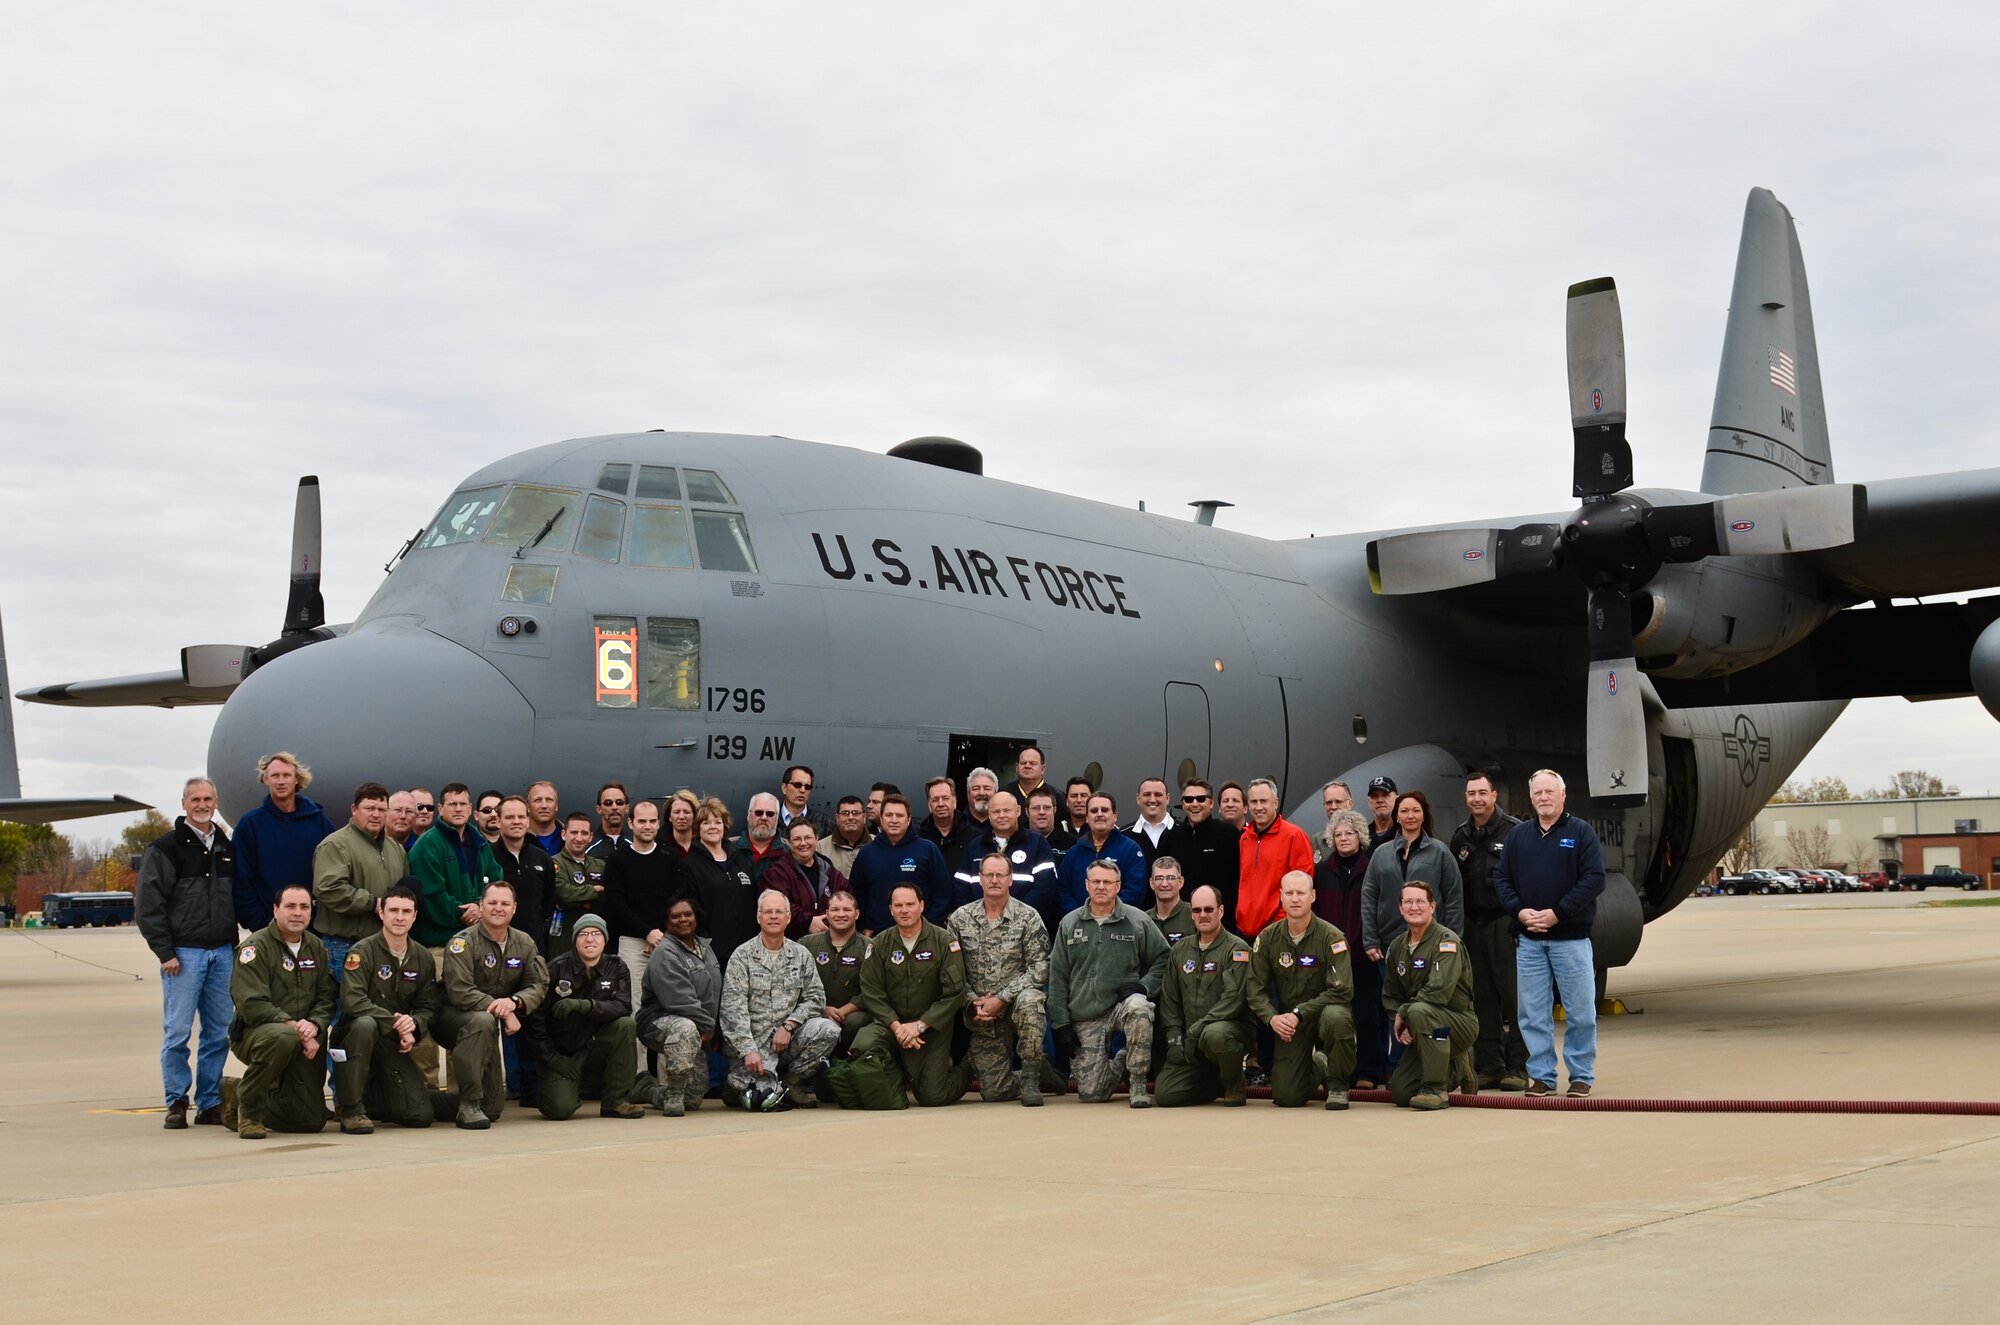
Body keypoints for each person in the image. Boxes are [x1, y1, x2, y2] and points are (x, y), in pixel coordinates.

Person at [1492, 769, 1606, 1098]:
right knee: (1531, 1013)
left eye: (1549, 792)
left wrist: (1559, 913)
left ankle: (1581, 1075)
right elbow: (1502, 879)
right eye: (1538, 793)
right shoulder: (1519, 836)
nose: (1544, 797)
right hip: (1529, 940)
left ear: (1563, 795)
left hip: (1570, 938)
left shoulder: (1581, 833)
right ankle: (1542, 1076)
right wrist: (1519, 911)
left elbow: (1594, 879)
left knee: (1581, 1011)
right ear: (1531, 798)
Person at [137, 776, 236, 1129]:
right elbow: (148, 906)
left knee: (218, 1032)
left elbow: (236, 899)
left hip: (222, 953)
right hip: (183, 954)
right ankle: (177, 1100)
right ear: (184, 804)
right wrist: (165, 952)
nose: (202, 804)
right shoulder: (166, 849)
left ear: (216, 802)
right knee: (177, 1031)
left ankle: (209, 1102)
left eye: (208, 798)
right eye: (195, 799)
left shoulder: (226, 846)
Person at [1049, 859, 1169, 1107]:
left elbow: (1164, 958)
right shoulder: (1069, 924)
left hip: (1122, 1004)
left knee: (1140, 1007)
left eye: (1107, 882)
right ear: (1086, 885)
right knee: (1092, 1094)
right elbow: (1058, 976)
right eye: (1096, 881)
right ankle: (1123, 1062)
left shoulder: (1138, 921)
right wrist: (1061, 1023)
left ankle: (1137, 1082)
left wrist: (1144, 987)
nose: (1101, 886)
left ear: (1118, 886)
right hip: (1086, 1013)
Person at [330, 882, 446, 1131]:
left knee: (420, 1115)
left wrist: (414, 1024)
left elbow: (428, 1007)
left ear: (415, 916)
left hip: (392, 1042)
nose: (399, 917)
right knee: (365, 1023)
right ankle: (351, 1110)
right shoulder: (362, 952)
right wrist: (395, 1023)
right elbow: (353, 1001)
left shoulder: (422, 958)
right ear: (381, 913)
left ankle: (376, 1101)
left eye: (406, 912)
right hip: (354, 1037)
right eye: (393, 910)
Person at [222, 884, 335, 1139]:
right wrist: (293, 1026)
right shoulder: (255, 948)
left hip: (305, 1036)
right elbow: (252, 1004)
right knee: (283, 1037)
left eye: (304, 907)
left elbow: (326, 995)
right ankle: (249, 1112)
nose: (297, 913)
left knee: (311, 1121)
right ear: (276, 910)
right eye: (290, 906)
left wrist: (315, 1025)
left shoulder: (316, 947)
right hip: (258, 1034)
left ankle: (239, 1091)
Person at [434, 880, 550, 1129]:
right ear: (481, 906)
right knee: (483, 1020)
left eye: (505, 903)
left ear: (514, 908)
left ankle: (432, 1103)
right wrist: (502, 1011)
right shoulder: (462, 942)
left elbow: (539, 984)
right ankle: (468, 1104)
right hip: (450, 1018)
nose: (499, 908)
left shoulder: (524, 942)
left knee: (493, 1109)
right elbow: (460, 991)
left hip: (487, 1020)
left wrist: (514, 1002)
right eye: (492, 903)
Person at [719, 891, 841, 1109]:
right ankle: (738, 1082)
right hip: (751, 1044)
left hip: (785, 1040)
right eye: (768, 912)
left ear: (788, 917)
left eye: (779, 912)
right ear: (758, 917)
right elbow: (732, 1011)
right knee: (760, 1099)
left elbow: (815, 998)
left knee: (828, 1029)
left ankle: (791, 1083)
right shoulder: (742, 956)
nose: (773, 916)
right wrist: (748, 1050)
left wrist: (790, 1025)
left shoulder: (801, 954)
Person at [1247, 871, 1357, 1109]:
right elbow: (1255, 989)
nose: (1295, 899)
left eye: (1301, 893)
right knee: (1286, 1097)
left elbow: (1342, 991)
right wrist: (1272, 1018)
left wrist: (1299, 1013)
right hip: (1290, 1022)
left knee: (1337, 1016)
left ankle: (1338, 1085)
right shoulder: (1267, 938)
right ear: (1281, 897)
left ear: (1313, 896)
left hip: (1323, 1014)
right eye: (1289, 893)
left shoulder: (1332, 937)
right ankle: (1319, 1065)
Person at [947, 854, 1052, 1106]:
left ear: (1010, 879)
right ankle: (1040, 1072)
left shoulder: (1028, 916)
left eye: (1000, 875)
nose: (994, 880)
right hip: (980, 1013)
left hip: (1016, 1004)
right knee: (993, 1092)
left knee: (1030, 1001)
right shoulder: (960, 919)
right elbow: (951, 971)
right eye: (989, 875)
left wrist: (1003, 998)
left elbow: (1041, 966)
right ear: (980, 879)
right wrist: (973, 1001)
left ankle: (1030, 1079)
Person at [854, 883, 969, 1106]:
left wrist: (920, 1025)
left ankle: (969, 1067)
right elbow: (872, 992)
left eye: (910, 904)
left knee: (932, 1097)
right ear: (890, 910)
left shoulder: (944, 942)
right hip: (891, 1025)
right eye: (898, 905)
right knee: (863, 1043)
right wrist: (897, 1027)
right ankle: (894, 1078)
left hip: (931, 1029)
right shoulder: (880, 944)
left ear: (921, 906)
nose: (904, 910)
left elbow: (954, 993)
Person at [527, 914, 646, 1119]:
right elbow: (534, 1020)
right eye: (583, 934)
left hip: (596, 1048)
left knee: (626, 1025)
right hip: (563, 1054)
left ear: (605, 939)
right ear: (575, 940)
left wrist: (585, 1006)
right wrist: (553, 1059)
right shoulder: (556, 968)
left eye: (596, 933)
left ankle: (616, 1101)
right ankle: (562, 1086)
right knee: (559, 1109)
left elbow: (622, 1007)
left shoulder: (617, 967)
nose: (589, 939)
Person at [1451, 772, 1527, 1089]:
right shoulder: (1460, 837)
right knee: (1481, 998)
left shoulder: (1515, 832)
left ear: (1494, 795)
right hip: (1474, 925)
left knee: (1513, 997)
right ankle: (1491, 1064)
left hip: (1503, 923)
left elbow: (1526, 879)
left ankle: (1519, 1068)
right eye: (1472, 794)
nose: (1477, 799)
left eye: (1483, 792)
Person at [1155, 885, 1256, 1108]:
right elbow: (1170, 999)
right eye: (1197, 910)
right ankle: (1214, 1081)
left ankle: (1232, 1080)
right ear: (1191, 914)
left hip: (1227, 1033)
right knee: (1165, 1095)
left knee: (1215, 1034)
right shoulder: (1180, 950)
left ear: (1221, 911)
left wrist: (1195, 1031)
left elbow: (1234, 1000)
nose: (1203, 915)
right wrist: (1174, 1038)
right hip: (1192, 1042)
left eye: (1209, 909)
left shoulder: (1237, 950)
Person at [1381, 880, 1478, 1110]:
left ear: (1432, 906)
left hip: (1457, 1023)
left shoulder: (1447, 942)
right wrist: (1399, 1016)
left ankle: (1436, 1090)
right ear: (1400, 908)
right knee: (1401, 1093)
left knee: (1420, 1010)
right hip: (1421, 1024)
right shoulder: (1397, 946)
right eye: (1408, 902)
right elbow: (1391, 994)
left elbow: (1438, 991)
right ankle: (1456, 1067)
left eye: (1420, 901)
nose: (1414, 907)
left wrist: (1405, 1014)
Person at [1315, 809, 1386, 1089]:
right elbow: (1317, 913)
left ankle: (1370, 1070)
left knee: (1367, 1015)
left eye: (1350, 833)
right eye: (1338, 834)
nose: (1344, 838)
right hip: (1330, 958)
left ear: (1361, 836)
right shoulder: (1321, 872)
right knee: (1331, 1016)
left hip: (1362, 954)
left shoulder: (1372, 868)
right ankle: (1335, 1069)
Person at [311, 782, 408, 980]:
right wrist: (373, 903)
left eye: (382, 809)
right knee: (341, 1007)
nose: (376, 814)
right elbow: (328, 888)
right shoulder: (335, 845)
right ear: (354, 809)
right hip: (343, 946)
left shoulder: (395, 849)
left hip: (383, 945)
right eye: (369, 808)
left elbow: (404, 889)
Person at [1361, 791, 1466, 973]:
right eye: (1404, 811)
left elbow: (1454, 897)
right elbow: (1369, 897)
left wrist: (1451, 939)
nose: (1410, 816)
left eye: (1416, 810)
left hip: (1431, 942)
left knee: (1428, 998)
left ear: (1423, 815)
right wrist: (1370, 939)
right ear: (1397, 816)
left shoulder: (1439, 851)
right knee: (1393, 998)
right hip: (1389, 943)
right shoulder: (1381, 853)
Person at [231, 751, 335, 934]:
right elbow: (240, 881)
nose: (281, 781)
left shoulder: (319, 822)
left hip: (313, 932)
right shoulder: (250, 825)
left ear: (297, 779)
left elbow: (332, 873)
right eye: (275, 776)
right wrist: (259, 924)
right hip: (268, 930)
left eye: (286, 775)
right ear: (266, 780)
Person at [637, 896, 722, 1116]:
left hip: (698, 1026)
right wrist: (708, 1028)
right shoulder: (665, 952)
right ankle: (673, 1094)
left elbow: (714, 992)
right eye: (675, 916)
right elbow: (679, 1001)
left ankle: (647, 1090)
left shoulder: (705, 947)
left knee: (693, 1098)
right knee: (684, 1027)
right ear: (666, 922)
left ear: (696, 917)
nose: (682, 919)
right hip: (658, 1022)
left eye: (687, 914)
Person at [601, 799, 678, 1004]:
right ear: (631, 823)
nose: (647, 826)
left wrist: (659, 934)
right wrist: (647, 932)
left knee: (668, 1003)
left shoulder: (670, 856)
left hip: (665, 938)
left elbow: (676, 898)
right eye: (642, 821)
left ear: (659, 824)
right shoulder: (617, 860)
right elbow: (616, 904)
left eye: (652, 821)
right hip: (631, 942)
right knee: (635, 1004)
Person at [409, 783, 497, 952]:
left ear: (470, 809)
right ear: (441, 809)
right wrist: (462, 913)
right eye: (452, 804)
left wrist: (480, 907)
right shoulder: (427, 846)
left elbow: (496, 880)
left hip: (476, 942)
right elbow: (431, 898)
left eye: (463, 804)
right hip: (439, 945)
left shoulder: (481, 843)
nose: (458, 809)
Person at [847, 793, 951, 933]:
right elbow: (856, 895)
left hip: (921, 936)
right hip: (877, 937)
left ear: (908, 820)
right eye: (889, 815)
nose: (894, 820)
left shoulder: (928, 850)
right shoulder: (867, 853)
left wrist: (928, 927)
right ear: (881, 819)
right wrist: (863, 926)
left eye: (900, 816)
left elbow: (943, 895)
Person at [955, 790, 1059, 925]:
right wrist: (979, 919)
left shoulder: (1037, 843)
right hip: (980, 928)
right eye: (996, 812)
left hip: (1025, 928)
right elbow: (961, 889)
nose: (1001, 816)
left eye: (1007, 810)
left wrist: (1015, 918)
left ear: (1018, 811)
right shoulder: (975, 846)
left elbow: (1045, 889)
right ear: (989, 815)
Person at [1235, 777, 1314, 938]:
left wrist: (1281, 921)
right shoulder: (1245, 838)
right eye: (1253, 802)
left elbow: (1303, 884)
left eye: (1264, 801)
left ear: (1275, 803)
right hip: (1244, 930)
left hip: (1278, 930)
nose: (1258, 807)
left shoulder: (1294, 836)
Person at [686, 797, 761, 966]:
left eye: (717, 822)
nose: (713, 827)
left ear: (724, 825)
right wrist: (706, 947)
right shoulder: (690, 865)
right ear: (698, 828)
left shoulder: (740, 860)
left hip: (747, 955)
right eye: (706, 823)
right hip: (713, 957)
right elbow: (691, 912)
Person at [799, 889, 871, 1055]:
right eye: (835, 909)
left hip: (851, 1015)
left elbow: (872, 989)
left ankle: (844, 1062)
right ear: (826, 913)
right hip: (815, 1011)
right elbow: (798, 985)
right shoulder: (807, 944)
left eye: (847, 910)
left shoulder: (869, 947)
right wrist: (822, 1008)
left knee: (856, 1021)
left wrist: (843, 1011)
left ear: (857, 914)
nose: (841, 914)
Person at [1160, 779, 1240, 927]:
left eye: (1201, 799)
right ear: (1183, 804)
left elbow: (1238, 880)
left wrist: (1226, 914)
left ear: (1211, 803)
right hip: (1181, 923)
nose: (1194, 804)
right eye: (1189, 799)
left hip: (1220, 923)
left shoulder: (1228, 835)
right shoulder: (1171, 837)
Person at [1057, 792, 1148, 911]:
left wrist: (1106, 914)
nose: (1099, 814)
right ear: (1087, 818)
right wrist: (1081, 916)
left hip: (1119, 924)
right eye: (1094, 811)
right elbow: (1062, 890)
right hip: (1080, 924)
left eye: (1104, 810)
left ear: (1115, 816)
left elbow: (1135, 891)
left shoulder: (1130, 850)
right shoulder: (1074, 853)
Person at [761, 818, 845, 938]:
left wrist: (826, 921)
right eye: (797, 839)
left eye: (808, 838)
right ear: (789, 842)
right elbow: (777, 906)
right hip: (791, 944)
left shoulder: (829, 870)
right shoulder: (776, 873)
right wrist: (808, 922)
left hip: (828, 941)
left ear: (816, 839)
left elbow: (846, 897)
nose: (803, 843)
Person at [491, 794, 553, 948]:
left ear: (528, 821)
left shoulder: (543, 859)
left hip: (533, 945)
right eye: (510, 817)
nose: (516, 822)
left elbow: (548, 904)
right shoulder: (485, 856)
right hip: (493, 944)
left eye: (521, 816)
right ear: (498, 821)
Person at [548, 811, 608, 961]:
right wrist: (596, 890)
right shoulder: (554, 863)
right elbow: (563, 894)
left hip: (594, 939)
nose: (579, 838)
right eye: (573, 832)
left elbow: (609, 898)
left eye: (584, 833)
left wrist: (581, 899)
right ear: (563, 834)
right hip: (564, 937)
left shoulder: (600, 865)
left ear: (590, 837)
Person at [918, 776, 976, 863]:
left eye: (945, 798)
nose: (941, 804)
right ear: (929, 806)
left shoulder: (973, 837)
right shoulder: (919, 838)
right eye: (935, 800)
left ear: (954, 802)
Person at [1147, 856, 1195, 946]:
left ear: (1180, 882)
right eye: (1159, 878)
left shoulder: (1195, 915)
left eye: (1170, 878)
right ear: (1152, 883)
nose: (1164, 884)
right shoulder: (1143, 920)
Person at [1126, 777, 1175, 864]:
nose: (1152, 800)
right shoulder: (1124, 835)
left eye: (1158, 794)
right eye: (1147, 794)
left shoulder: (1183, 832)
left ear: (1167, 798)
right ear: (1138, 799)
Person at [820, 796, 870, 877]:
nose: (850, 817)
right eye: (845, 813)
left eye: (855, 813)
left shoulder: (878, 843)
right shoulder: (821, 848)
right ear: (837, 818)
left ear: (864, 817)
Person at [775, 764, 827, 835]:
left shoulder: (824, 824)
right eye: (797, 785)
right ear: (784, 788)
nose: (803, 790)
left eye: (807, 786)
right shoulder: (768, 818)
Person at [587, 783, 633, 860]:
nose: (614, 807)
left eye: (619, 802)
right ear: (599, 809)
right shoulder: (587, 847)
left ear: (627, 808)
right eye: (608, 803)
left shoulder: (635, 845)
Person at [1315, 780, 1354, 860]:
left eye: (1338, 801)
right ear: (1324, 806)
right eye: (1329, 802)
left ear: (1350, 804)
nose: (1333, 807)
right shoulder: (1315, 841)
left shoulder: (1363, 836)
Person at [1024, 787, 1068, 855]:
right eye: (1035, 808)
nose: (1041, 812)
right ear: (1027, 812)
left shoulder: (1071, 844)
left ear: (1054, 810)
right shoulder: (1016, 843)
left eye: (1047, 808)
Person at [1055, 776, 1094, 850]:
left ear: (1092, 800)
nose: (1079, 800)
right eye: (1074, 796)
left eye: (1083, 795)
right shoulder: (1056, 829)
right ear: (1067, 802)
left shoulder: (1104, 829)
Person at [1004, 744, 1048, 809]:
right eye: (1023, 763)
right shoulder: (1004, 794)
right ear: (1017, 767)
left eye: (1033, 763)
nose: (1027, 766)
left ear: (1042, 769)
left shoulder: (1057, 797)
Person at [526, 780, 563, 854]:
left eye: (549, 800)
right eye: (538, 800)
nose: (544, 806)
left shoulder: (570, 837)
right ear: (528, 807)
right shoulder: (518, 838)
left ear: (556, 806)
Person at [1365, 776, 1399, 849]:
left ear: (1397, 799)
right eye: (1374, 796)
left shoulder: (1405, 832)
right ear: (1368, 802)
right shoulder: (1362, 835)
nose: (1380, 800)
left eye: (1385, 795)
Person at [665, 789, 700, 858]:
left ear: (694, 816)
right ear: (669, 817)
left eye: (687, 812)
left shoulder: (704, 845)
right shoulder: (661, 847)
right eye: (676, 812)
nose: (681, 817)